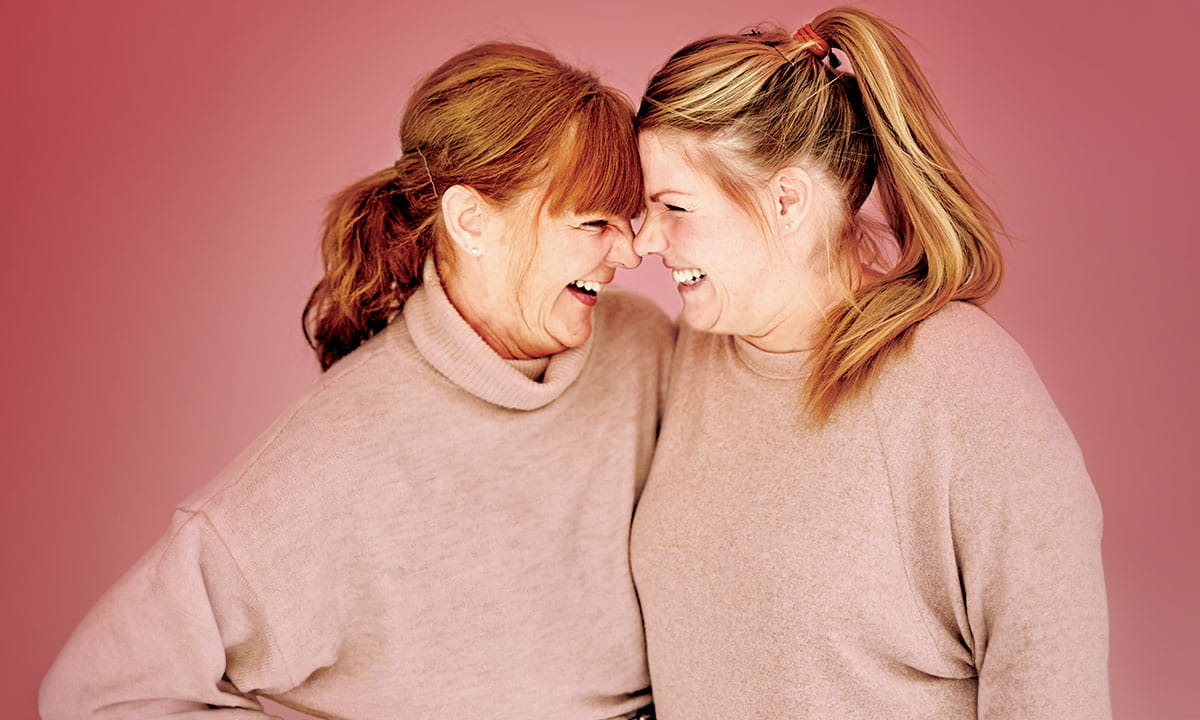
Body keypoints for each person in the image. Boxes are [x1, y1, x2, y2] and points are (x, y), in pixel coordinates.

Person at [40, 42, 669, 720]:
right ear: (471, 221)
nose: (631, 252)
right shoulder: (332, 458)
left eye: (626, 219)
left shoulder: (640, 347)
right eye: (594, 222)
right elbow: (100, 695)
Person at [628, 8, 1109, 719]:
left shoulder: (966, 387)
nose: (644, 242)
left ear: (785, 201)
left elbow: (1052, 691)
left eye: (673, 207)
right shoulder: (689, 355)